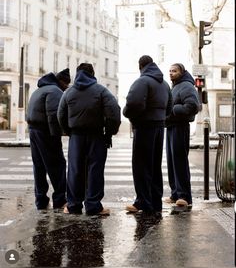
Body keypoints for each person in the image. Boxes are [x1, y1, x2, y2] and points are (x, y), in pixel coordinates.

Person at [57, 63, 121, 216]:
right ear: (92, 73)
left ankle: (73, 205)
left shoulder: (69, 92)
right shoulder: (101, 91)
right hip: (96, 135)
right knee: (95, 170)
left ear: (77, 73)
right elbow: (114, 113)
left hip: (76, 137)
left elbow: (60, 115)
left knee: (74, 171)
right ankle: (93, 206)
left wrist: (69, 132)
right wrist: (109, 133)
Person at [123, 55, 172, 216]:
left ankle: (143, 201)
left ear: (140, 66)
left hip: (144, 126)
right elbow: (169, 108)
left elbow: (133, 104)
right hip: (159, 127)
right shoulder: (164, 84)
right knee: (154, 165)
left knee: (141, 166)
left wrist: (130, 116)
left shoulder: (142, 82)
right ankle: (155, 201)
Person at [27, 68, 71, 210]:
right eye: (66, 85)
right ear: (61, 82)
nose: (66, 88)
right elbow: (53, 116)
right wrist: (56, 135)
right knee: (57, 165)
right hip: (46, 132)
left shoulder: (39, 90)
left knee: (39, 166)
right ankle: (59, 200)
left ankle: (41, 200)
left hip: (33, 130)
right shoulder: (55, 91)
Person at [165, 63, 200, 207]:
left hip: (180, 127)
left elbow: (193, 106)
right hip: (171, 126)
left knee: (179, 162)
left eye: (174, 71)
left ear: (182, 72)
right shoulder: (176, 85)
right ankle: (175, 194)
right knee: (172, 163)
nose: (171, 73)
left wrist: (173, 110)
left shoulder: (186, 85)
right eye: (170, 71)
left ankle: (185, 196)